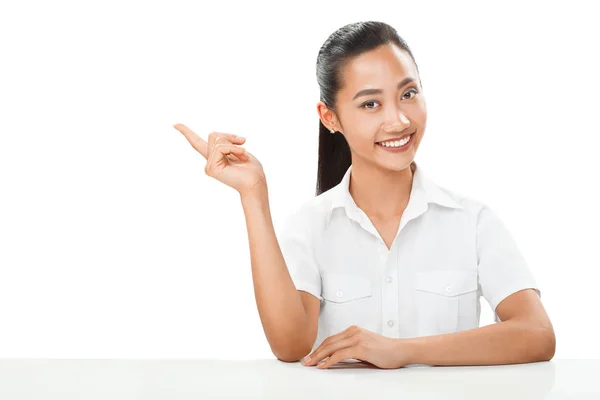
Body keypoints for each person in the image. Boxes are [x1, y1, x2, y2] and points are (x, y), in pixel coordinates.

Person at [173, 21, 555, 370]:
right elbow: (290, 345)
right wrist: (253, 194)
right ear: (330, 117)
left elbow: (537, 333)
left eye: (408, 94)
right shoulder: (311, 226)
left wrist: (401, 350)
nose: (399, 120)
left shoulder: (472, 221)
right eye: (371, 103)